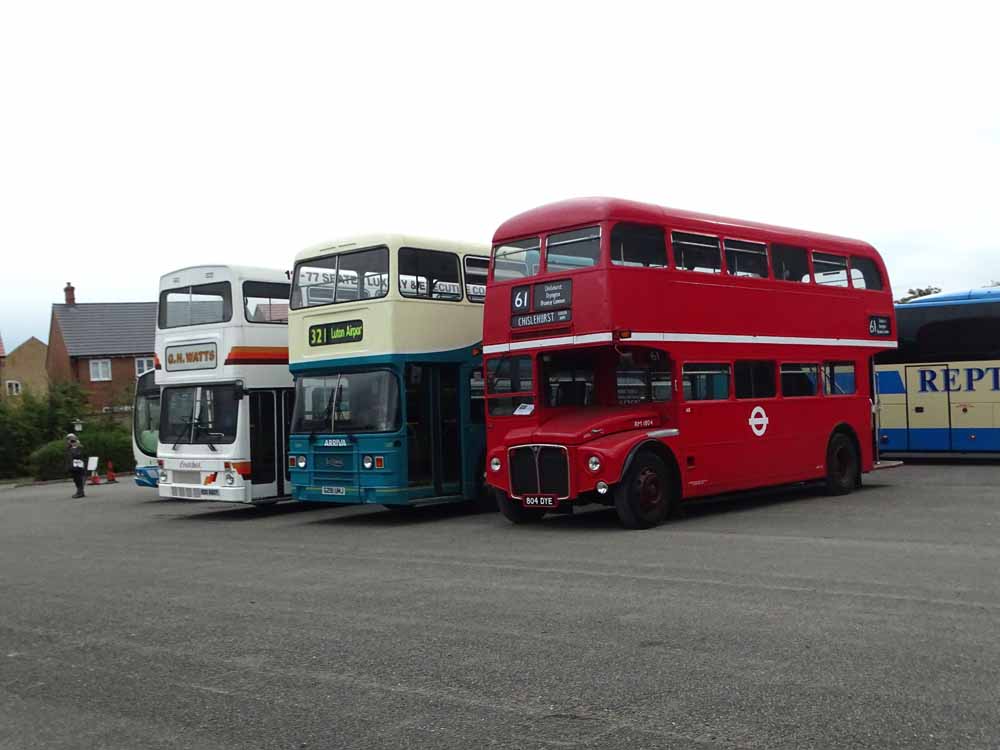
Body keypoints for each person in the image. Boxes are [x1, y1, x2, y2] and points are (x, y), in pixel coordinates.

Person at [65, 434, 86, 498]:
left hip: (79, 467)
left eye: (72, 439)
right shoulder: (69, 448)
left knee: (79, 479)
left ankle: (80, 492)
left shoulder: (79, 447)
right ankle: (79, 492)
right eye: (68, 439)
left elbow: (77, 456)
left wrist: (75, 446)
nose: (70, 441)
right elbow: (68, 457)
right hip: (73, 467)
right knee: (76, 480)